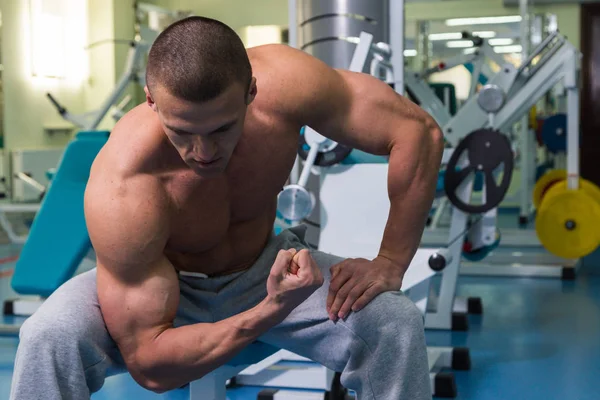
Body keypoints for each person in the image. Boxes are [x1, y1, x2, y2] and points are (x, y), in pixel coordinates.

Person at [10, 16, 443, 400]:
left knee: (393, 321)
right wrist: (268, 311)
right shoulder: (126, 181)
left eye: (222, 127)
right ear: (151, 101)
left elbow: (416, 131)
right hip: (162, 287)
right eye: (181, 132)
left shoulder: (287, 84)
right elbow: (150, 367)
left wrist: (390, 260)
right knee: (49, 337)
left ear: (251, 91)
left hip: (266, 269)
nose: (202, 152)